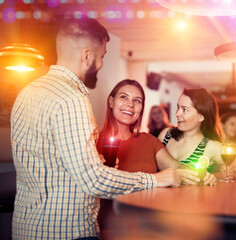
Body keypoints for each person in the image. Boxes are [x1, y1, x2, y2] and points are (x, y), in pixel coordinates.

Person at [10, 19, 180, 240]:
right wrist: (154, 180)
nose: (100, 64)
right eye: (102, 56)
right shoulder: (72, 99)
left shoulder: (27, 92)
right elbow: (93, 180)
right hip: (66, 232)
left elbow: (49, 163)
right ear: (87, 55)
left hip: (27, 229)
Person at [96, 79, 200, 238]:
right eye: (124, 97)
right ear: (111, 101)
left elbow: (179, 170)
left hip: (153, 225)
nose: (130, 104)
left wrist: (210, 173)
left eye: (137, 101)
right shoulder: (92, 142)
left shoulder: (149, 141)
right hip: (112, 229)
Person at [158, 87, 236, 180]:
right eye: (178, 107)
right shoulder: (165, 135)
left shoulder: (210, 146)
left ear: (201, 117)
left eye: (184, 109)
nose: (177, 113)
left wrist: (226, 175)